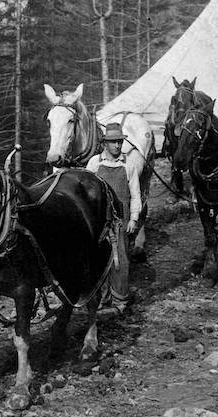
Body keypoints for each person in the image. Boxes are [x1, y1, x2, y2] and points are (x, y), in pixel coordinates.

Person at [85, 123, 140, 312]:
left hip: (121, 218)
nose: (117, 145)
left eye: (119, 142)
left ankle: (120, 300)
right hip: (100, 218)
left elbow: (135, 193)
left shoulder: (128, 164)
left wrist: (133, 218)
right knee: (99, 258)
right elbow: (85, 191)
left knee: (121, 258)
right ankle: (102, 298)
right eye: (113, 142)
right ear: (105, 143)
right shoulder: (94, 163)